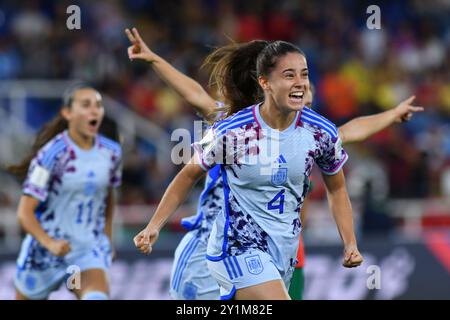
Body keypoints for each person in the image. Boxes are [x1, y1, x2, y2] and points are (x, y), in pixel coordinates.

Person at [126, 27, 423, 300]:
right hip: (217, 245)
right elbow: (195, 97)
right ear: (265, 84)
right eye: (290, 77)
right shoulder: (231, 125)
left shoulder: (313, 134)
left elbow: (350, 133)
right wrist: (154, 61)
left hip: (279, 251)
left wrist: (391, 115)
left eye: (305, 81)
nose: (302, 90)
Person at [7, 84, 122, 300]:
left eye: (98, 105)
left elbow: (107, 197)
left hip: (87, 249)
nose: (94, 111)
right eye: (86, 105)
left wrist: (107, 239)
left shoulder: (111, 153)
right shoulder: (51, 156)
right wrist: (50, 243)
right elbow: (24, 213)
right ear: (67, 113)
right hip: (45, 253)